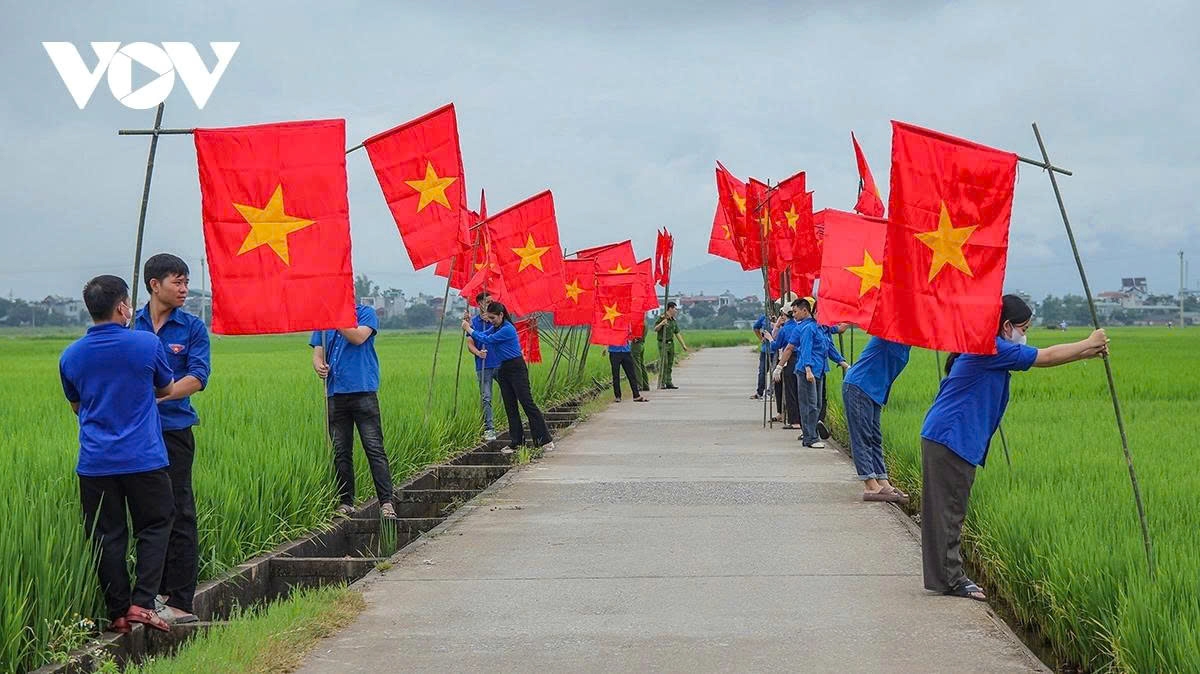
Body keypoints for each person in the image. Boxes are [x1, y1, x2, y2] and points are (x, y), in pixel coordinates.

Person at [920, 295, 1108, 602]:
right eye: (1024, 327)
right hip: (952, 438)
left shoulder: (984, 346)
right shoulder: (991, 347)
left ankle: (946, 576)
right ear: (1006, 326)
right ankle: (950, 579)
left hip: (947, 436)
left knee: (947, 509)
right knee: (949, 510)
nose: (1025, 333)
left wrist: (1089, 348)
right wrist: (1089, 344)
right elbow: (1045, 357)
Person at [60, 275, 177, 634]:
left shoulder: (71, 355)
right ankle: (143, 603)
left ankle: (118, 612)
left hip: (95, 464)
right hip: (144, 458)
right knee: (155, 526)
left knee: (107, 536)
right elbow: (167, 386)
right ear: (123, 307)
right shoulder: (145, 343)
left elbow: (77, 405)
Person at [134, 253, 210, 625]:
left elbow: (198, 375)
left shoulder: (192, 327)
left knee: (179, 510)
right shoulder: (131, 325)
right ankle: (149, 595)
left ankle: (180, 599)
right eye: (177, 282)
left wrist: (160, 394)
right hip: (136, 434)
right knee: (147, 513)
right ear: (154, 285)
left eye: (185, 282)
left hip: (174, 431)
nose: (183, 289)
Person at [311, 304, 396, 519]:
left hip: (363, 391)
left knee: (374, 448)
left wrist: (335, 316)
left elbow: (358, 337)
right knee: (340, 451)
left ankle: (386, 502)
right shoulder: (323, 319)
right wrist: (318, 365)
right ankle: (346, 502)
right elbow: (317, 351)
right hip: (335, 393)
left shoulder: (365, 313)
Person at [462, 302, 554, 454]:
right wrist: (470, 326)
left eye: (493, 318)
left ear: (501, 315)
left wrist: (469, 329)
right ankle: (517, 441)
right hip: (503, 368)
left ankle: (544, 440)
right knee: (510, 406)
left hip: (516, 368)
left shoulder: (507, 329)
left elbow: (488, 340)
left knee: (527, 403)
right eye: (489, 318)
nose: (491, 321)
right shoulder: (496, 327)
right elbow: (484, 335)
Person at [841, 335, 912, 503]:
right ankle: (870, 485)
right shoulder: (889, 334)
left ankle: (882, 481)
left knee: (875, 438)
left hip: (874, 392)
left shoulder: (906, 345)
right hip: (859, 386)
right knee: (863, 436)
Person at [775, 298, 848, 448]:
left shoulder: (822, 328)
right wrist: (805, 369)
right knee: (809, 404)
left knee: (817, 405)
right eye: (793, 312)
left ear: (805, 310)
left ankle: (811, 432)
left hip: (819, 370)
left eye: (795, 312)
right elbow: (804, 349)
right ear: (813, 312)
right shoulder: (807, 328)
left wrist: (843, 363)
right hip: (807, 371)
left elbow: (829, 348)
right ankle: (810, 438)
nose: (794, 315)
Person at [466, 292, 501, 441]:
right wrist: (478, 353)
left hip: (500, 363)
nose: (490, 304)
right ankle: (489, 428)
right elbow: (470, 344)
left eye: (492, 301)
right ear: (480, 304)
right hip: (483, 365)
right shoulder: (472, 323)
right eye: (487, 302)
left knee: (510, 392)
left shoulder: (497, 321)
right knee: (486, 397)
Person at [771, 301, 802, 429]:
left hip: (789, 360)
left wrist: (769, 337)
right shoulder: (799, 326)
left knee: (790, 391)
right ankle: (800, 419)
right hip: (800, 359)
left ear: (784, 315)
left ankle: (794, 420)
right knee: (799, 391)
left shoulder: (785, 329)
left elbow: (776, 346)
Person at [653, 302, 691, 389]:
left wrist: (683, 345)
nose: (676, 311)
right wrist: (661, 324)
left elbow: (677, 333)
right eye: (675, 309)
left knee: (670, 363)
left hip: (671, 343)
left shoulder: (673, 320)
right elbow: (655, 329)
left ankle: (668, 382)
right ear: (670, 308)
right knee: (664, 363)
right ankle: (662, 382)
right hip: (663, 343)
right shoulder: (662, 318)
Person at [608, 336, 648, 403]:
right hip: (614, 351)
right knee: (615, 375)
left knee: (632, 375)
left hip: (626, 351)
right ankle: (618, 396)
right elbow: (606, 335)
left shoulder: (627, 325)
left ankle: (636, 395)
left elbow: (630, 335)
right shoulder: (612, 326)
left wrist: (633, 338)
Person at [752, 312, 772, 399]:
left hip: (776, 351)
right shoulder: (765, 317)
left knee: (774, 373)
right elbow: (756, 328)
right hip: (765, 349)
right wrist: (761, 338)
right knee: (762, 372)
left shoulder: (782, 317)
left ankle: (771, 392)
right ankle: (760, 392)